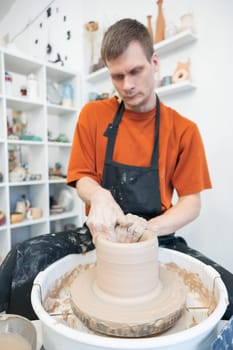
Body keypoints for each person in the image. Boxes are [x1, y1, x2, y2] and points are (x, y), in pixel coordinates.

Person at [67, 18, 233, 319]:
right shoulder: (92, 115)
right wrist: (101, 197)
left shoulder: (184, 130)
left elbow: (192, 202)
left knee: (228, 293)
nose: (127, 85)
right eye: (117, 76)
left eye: (135, 71)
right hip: (99, 235)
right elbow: (80, 177)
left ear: (154, 63)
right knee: (20, 263)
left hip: (158, 235)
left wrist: (148, 228)